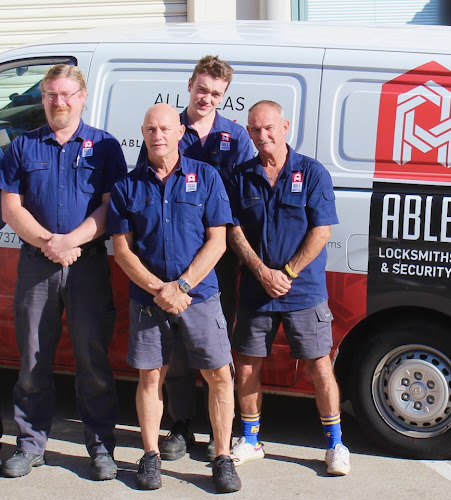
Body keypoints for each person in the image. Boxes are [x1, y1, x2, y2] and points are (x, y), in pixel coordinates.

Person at [107, 103, 240, 493]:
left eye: (165, 128)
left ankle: (222, 457)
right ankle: (150, 456)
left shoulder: (207, 177)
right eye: (151, 129)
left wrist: (180, 286)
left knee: (219, 375)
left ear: (181, 132)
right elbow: (123, 250)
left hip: (199, 296)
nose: (158, 135)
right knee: (151, 376)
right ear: (143, 133)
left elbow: (218, 241)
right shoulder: (127, 186)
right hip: (149, 300)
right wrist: (158, 289)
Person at [0, 64, 125, 480]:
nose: (59, 102)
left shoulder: (105, 146)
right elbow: (10, 207)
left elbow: (110, 207)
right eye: (51, 94)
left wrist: (70, 241)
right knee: (33, 359)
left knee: (93, 360)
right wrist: (48, 243)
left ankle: (101, 448)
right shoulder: (23, 146)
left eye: (67, 94)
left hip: (87, 265)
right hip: (37, 266)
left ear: (82, 97)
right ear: (42, 98)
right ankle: (30, 445)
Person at [227, 100, 351, 476]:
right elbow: (234, 231)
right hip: (256, 287)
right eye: (255, 129)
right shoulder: (241, 176)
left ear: (285, 127)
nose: (262, 135)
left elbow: (322, 230)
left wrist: (287, 272)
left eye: (269, 127)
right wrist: (262, 272)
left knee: (319, 365)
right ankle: (251, 440)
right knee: (247, 365)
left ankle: (335, 445)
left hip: (303, 289)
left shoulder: (311, 172)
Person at [150, 55, 254, 462]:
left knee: (216, 346)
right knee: (175, 346)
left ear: (223, 96)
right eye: (202, 89)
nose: (207, 98)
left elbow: (245, 195)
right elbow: (147, 186)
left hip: (218, 258)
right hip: (171, 255)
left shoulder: (235, 136)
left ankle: (218, 429)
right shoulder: (167, 127)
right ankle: (180, 424)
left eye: (216, 93)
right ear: (190, 84)